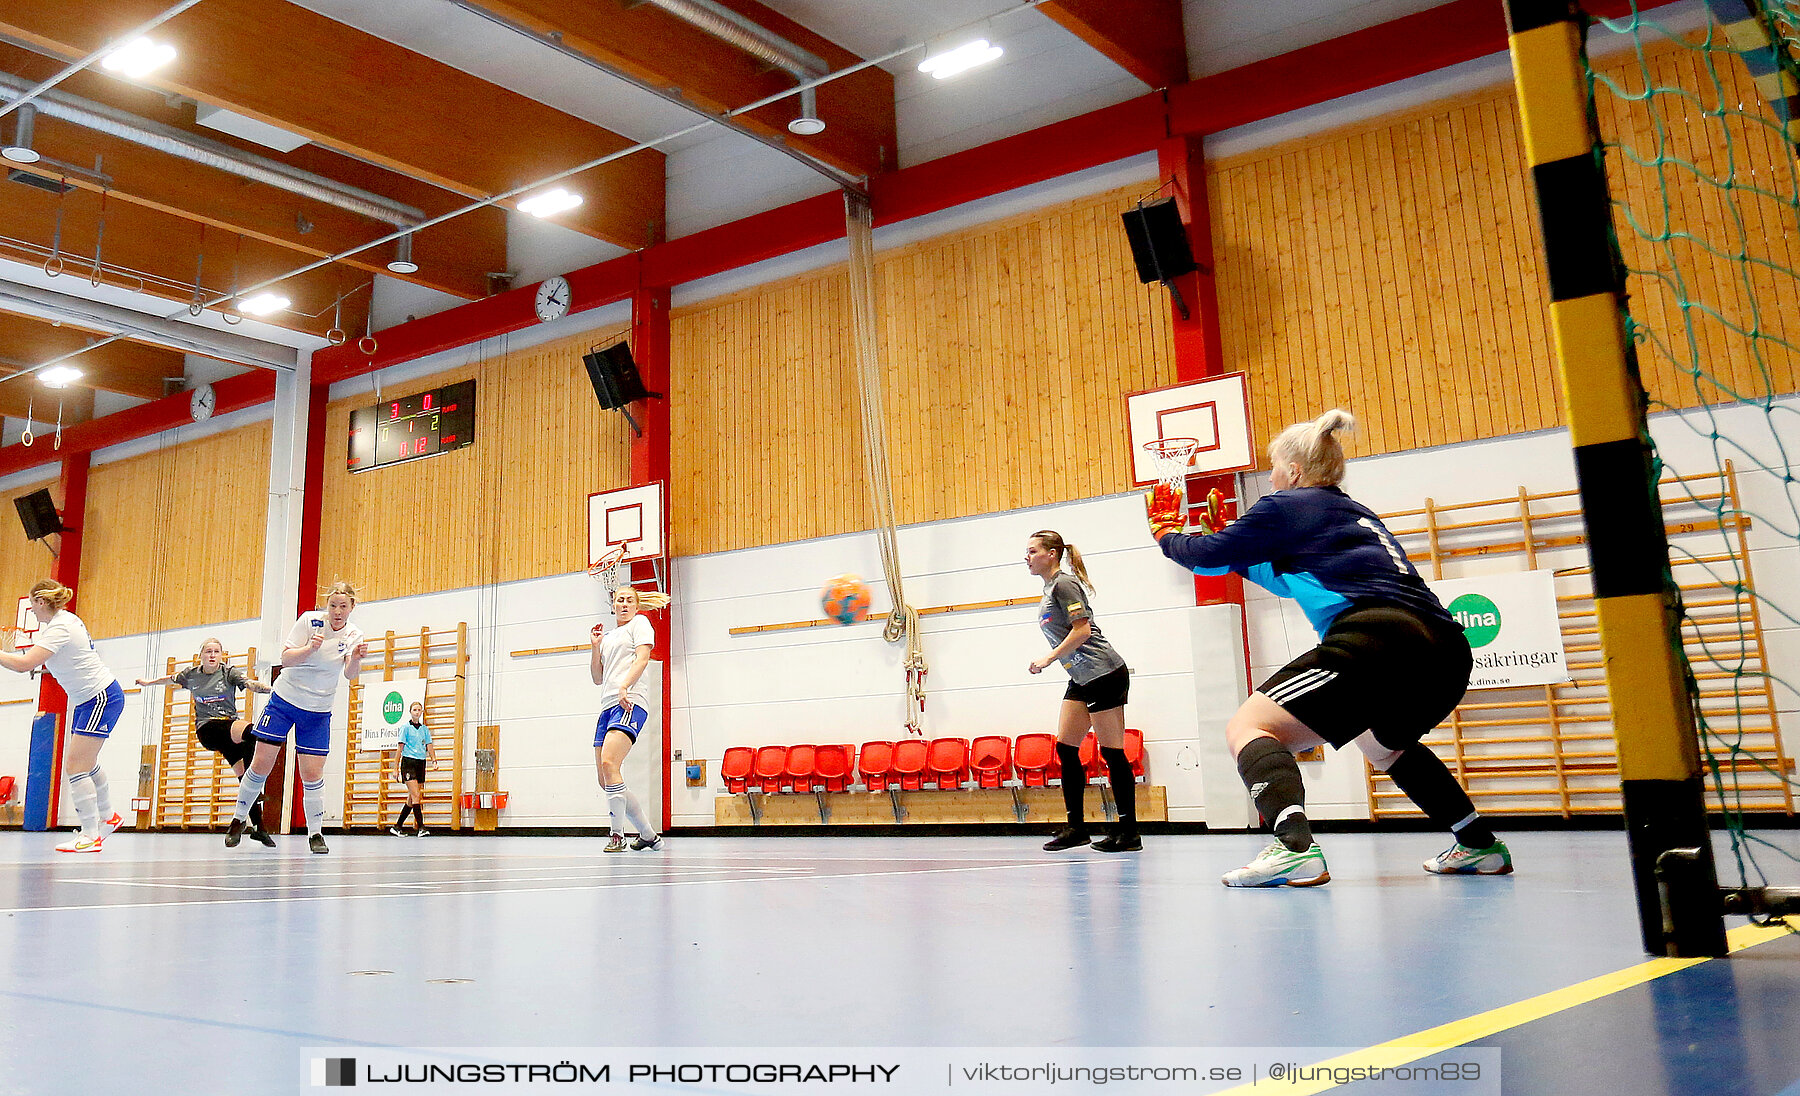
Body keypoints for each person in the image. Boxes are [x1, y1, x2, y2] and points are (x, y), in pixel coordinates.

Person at [1148, 409, 1511, 887]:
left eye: (1275, 468)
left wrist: (1167, 534)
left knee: (1249, 725)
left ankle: (1294, 850)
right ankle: (1479, 845)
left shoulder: (1287, 506)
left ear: (1294, 471)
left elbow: (1202, 557)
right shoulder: (1350, 513)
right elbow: (1277, 578)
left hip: (1378, 639)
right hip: (1444, 651)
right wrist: (1231, 548)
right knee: (1382, 744)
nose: (1271, 478)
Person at [226, 581, 367, 854]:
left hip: (317, 710)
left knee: (312, 774)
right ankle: (238, 819)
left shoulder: (354, 635)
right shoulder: (309, 622)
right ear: (326, 606)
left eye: (343, 606)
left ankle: (316, 834)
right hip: (285, 701)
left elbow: (349, 674)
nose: (337, 611)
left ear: (351, 608)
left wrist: (357, 658)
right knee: (261, 765)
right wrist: (310, 649)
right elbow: (286, 659)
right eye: (333, 605)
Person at [1026, 530, 1139, 853]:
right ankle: (1077, 828)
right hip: (1081, 677)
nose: (1027, 557)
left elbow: (1083, 629)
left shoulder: (1064, 584)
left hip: (1103, 673)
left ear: (1052, 554)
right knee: (1065, 748)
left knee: (1112, 752)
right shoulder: (1050, 588)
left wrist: (1049, 657)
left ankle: (1129, 832)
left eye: (1033, 551)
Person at [0, 580, 125, 853]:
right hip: (87, 700)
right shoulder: (65, 621)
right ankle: (109, 816)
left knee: (75, 766)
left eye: (32, 604)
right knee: (86, 762)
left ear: (42, 602)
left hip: (99, 697)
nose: (31, 610)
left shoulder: (59, 627)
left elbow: (24, 665)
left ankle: (91, 835)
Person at [137, 638, 276, 847]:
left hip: (229, 728)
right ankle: (256, 792)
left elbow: (248, 683)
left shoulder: (228, 672)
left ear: (221, 655)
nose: (212, 655)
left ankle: (259, 828)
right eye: (208, 651)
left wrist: (270, 690)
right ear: (201, 655)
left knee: (244, 776)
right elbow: (170, 679)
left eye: (216, 652)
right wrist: (149, 682)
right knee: (252, 732)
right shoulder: (191, 674)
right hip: (208, 729)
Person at [590, 585, 666, 853]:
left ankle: (616, 835)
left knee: (611, 762)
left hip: (630, 701)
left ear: (636, 605)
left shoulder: (640, 623)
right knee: (606, 777)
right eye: (619, 600)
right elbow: (597, 677)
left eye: (629, 601)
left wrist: (625, 687)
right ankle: (648, 835)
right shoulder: (609, 636)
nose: (623, 604)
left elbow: (643, 658)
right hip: (607, 706)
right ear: (613, 604)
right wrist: (595, 647)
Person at [390, 701, 433, 837]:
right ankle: (421, 827)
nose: (417, 712)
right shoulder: (405, 728)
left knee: (411, 797)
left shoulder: (424, 729)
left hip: (421, 762)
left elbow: (429, 745)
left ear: (421, 712)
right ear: (410, 712)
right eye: (414, 709)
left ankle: (397, 826)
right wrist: (395, 768)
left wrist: (434, 760)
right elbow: (400, 748)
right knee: (416, 795)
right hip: (408, 762)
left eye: (419, 710)